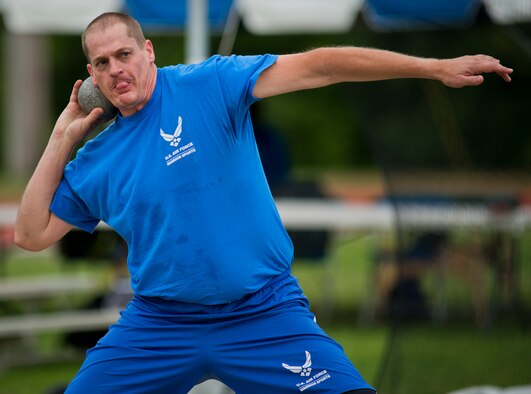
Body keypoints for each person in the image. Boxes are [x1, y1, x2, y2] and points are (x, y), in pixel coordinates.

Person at [14, 12, 512, 394]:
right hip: (160, 326)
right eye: (102, 63)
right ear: (91, 76)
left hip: (263, 315)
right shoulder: (95, 157)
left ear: (148, 50)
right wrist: (61, 135)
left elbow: (319, 66)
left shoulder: (209, 84)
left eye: (124, 54)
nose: (116, 69)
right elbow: (31, 234)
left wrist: (431, 66)